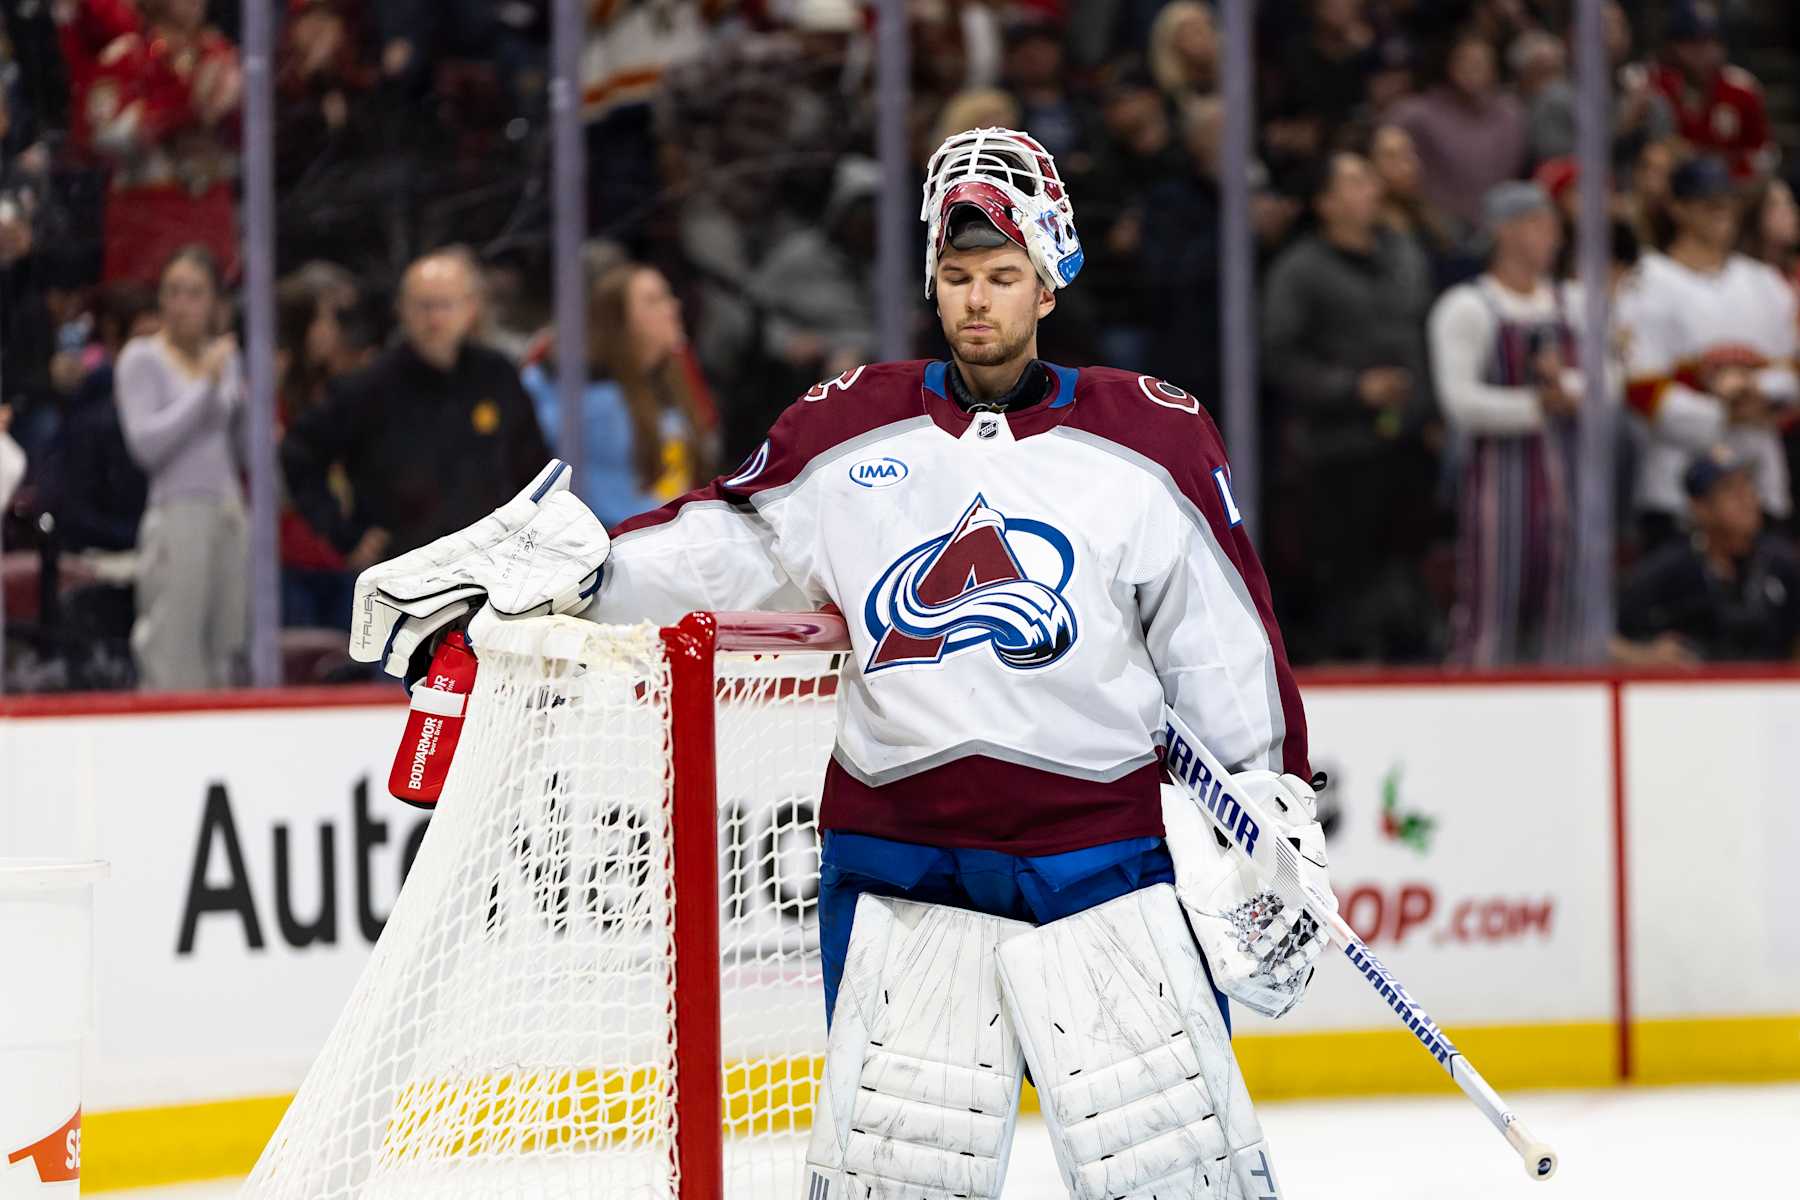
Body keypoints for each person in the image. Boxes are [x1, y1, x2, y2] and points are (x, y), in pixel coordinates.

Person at [351, 127, 1330, 1199]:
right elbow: (723, 546)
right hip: (905, 859)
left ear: (1050, 284)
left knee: (1181, 1182)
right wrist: (580, 577)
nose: (977, 301)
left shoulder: (1153, 438)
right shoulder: (850, 426)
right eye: (957, 275)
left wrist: (1266, 800)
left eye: (1004, 276)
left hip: (1101, 854)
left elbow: (1223, 645)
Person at [1262, 150, 1440, 663]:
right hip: (1336, 451)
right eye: (1356, 181)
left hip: (1408, 442)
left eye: (1370, 180)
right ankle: (1351, 660)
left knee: (1408, 562)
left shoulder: (1405, 254)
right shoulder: (1300, 270)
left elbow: (1424, 334)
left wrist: (1430, 409)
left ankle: (1412, 656)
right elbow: (1279, 357)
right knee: (1347, 576)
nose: (1372, 189)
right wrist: (1353, 388)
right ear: (1325, 202)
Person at [281, 246, 550, 570]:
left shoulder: (497, 375)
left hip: (493, 564)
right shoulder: (369, 385)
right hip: (402, 569)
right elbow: (300, 452)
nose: (435, 319)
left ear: (470, 308)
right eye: (423, 306)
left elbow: (533, 465)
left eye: (446, 305)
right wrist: (343, 534)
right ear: (402, 309)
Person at [1428, 183, 1602, 667]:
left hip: (1570, 484)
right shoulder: (1468, 307)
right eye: (1538, 224)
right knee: (1490, 615)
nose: (1552, 237)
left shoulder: (1573, 303)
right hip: (1499, 487)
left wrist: (1569, 390)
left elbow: (1607, 379)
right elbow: (1461, 402)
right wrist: (1540, 406)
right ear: (1504, 231)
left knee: (1566, 617)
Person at [1615, 156, 1797, 549]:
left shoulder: (1763, 281)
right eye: (1708, 202)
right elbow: (1640, 390)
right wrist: (1726, 412)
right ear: (1678, 208)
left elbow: (1792, 370)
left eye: (1727, 201)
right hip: (1678, 488)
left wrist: (1759, 393)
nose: (1722, 211)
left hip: (1761, 482)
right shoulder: (1646, 284)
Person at [115, 245, 246, 690]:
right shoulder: (141, 358)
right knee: (173, 645)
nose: (181, 304)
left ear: (214, 303)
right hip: (176, 512)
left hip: (228, 511)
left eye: (194, 293)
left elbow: (238, 447)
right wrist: (205, 384)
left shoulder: (225, 356)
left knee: (227, 643)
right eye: (172, 291)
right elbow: (146, 445)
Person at [523, 262, 716, 527]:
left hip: (667, 533)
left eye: (668, 295)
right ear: (618, 320)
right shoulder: (582, 393)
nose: (673, 307)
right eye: (654, 300)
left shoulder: (674, 378)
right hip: (609, 536)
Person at [1617, 447, 1800, 662]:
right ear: (1700, 508)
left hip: (1771, 681)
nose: (1747, 499)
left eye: (1749, 486)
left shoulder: (1782, 563)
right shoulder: (1667, 570)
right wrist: (1643, 656)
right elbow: (1604, 637)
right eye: (1730, 490)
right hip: (1695, 681)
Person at [1388, 32, 1528, 234]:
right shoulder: (1416, 114)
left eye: (1480, 61)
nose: (1472, 68)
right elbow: (1386, 153)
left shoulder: (1511, 115)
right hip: (1437, 228)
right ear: (1450, 65)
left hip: (1495, 227)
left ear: (1494, 68)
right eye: (1465, 60)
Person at [1649, 1, 1773, 181]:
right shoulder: (1655, 85)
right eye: (1693, 43)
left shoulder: (1741, 89)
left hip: (1732, 189)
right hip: (1670, 189)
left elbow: (1761, 157)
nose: (1706, 52)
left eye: (1713, 42)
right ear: (1673, 47)